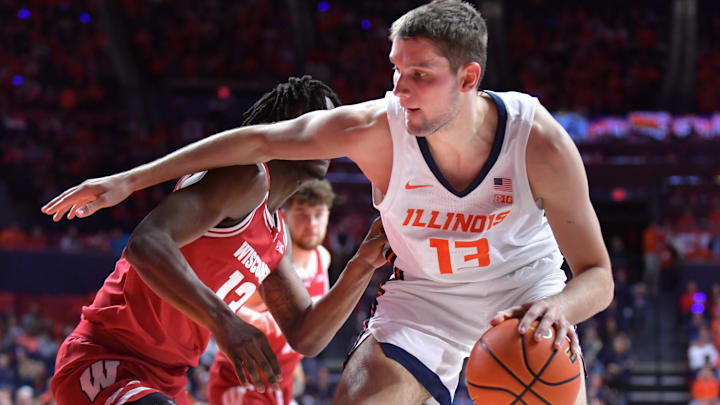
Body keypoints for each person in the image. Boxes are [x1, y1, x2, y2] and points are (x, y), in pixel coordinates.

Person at [41, 1, 614, 404]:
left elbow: (307, 337)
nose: (399, 89)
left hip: (522, 298)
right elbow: (249, 146)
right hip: (423, 301)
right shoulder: (330, 147)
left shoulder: (535, 138)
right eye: (395, 71)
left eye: (419, 74)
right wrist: (127, 181)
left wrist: (561, 306)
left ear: (469, 78)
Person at [47, 76, 389, 405]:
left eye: (335, 123)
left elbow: (306, 335)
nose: (329, 133)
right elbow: (146, 244)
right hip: (107, 360)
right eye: (319, 118)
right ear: (286, 123)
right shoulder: (246, 177)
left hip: (167, 380)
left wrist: (362, 263)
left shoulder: (276, 237)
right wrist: (225, 322)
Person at [207, 179, 336, 405]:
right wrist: (254, 318)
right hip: (242, 383)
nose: (312, 223)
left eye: (318, 214)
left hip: (281, 382)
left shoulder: (323, 258)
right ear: (285, 216)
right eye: (302, 214)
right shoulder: (267, 263)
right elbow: (216, 305)